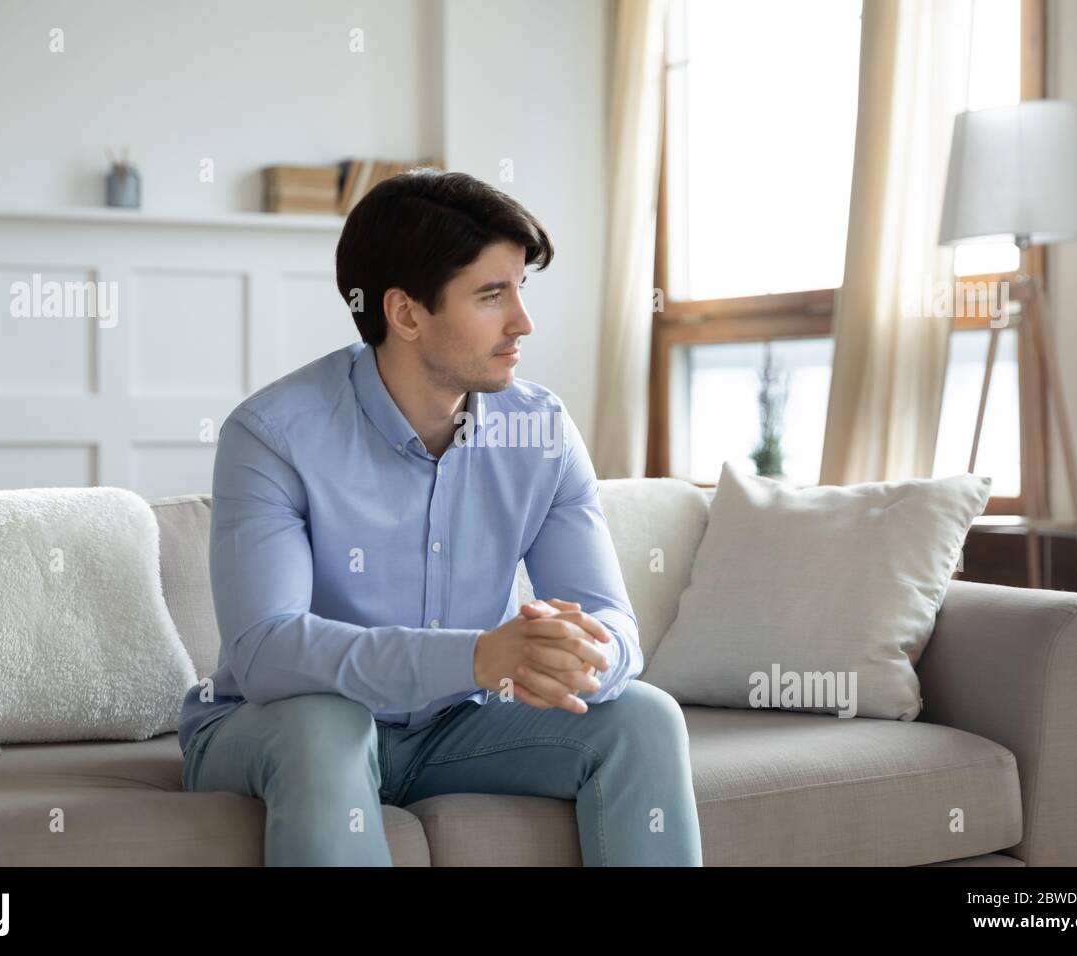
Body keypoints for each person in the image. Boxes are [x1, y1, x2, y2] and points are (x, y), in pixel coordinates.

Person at [177, 168, 701, 866]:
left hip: (458, 727)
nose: (523, 322)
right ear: (405, 313)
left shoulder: (540, 434)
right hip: (273, 728)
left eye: (521, 288)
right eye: (491, 295)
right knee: (326, 723)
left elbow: (616, 628)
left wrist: (579, 657)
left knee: (644, 717)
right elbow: (269, 654)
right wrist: (478, 657)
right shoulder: (274, 434)